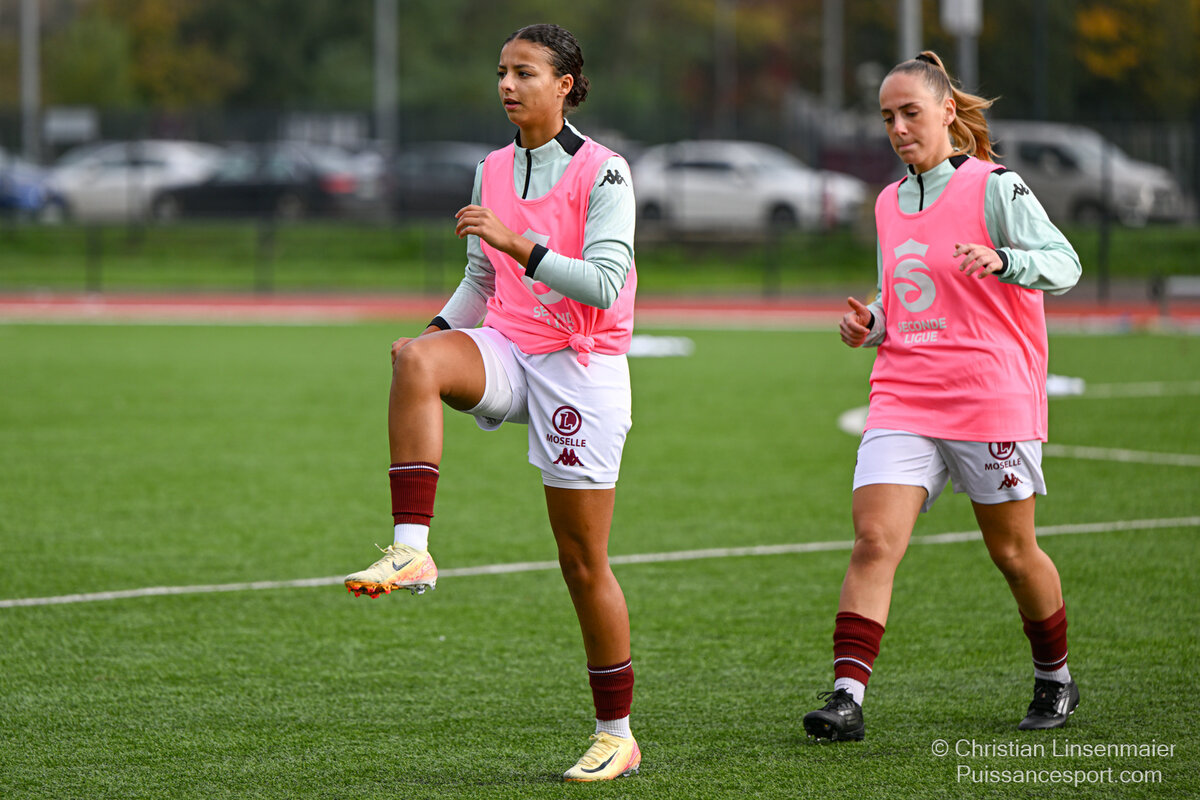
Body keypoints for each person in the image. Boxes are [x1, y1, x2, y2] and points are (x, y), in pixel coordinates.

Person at [341, 24, 641, 782]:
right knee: (415, 360)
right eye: (502, 71)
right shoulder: (491, 168)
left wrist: (518, 243)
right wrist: (435, 336)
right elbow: (480, 283)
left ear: (565, 84)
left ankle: (617, 734)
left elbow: (605, 286)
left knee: (582, 563)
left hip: (582, 366)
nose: (507, 84)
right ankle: (412, 548)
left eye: (525, 72)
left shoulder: (605, 173)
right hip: (509, 345)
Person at [802, 51, 1083, 742]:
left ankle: (1055, 678)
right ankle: (846, 697)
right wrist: (872, 323)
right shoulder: (886, 202)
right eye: (887, 118)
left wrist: (1005, 259)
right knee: (874, 540)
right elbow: (902, 297)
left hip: (989, 394)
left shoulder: (995, 186)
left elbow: (1065, 264)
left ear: (947, 112)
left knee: (1013, 553)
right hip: (904, 393)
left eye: (910, 113)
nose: (898, 129)